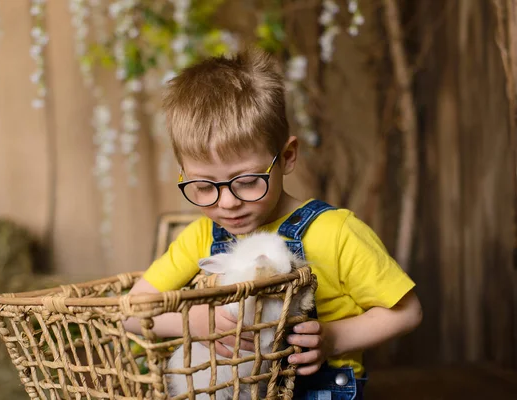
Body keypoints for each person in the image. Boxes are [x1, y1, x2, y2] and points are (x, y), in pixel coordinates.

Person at [124, 49, 422, 399]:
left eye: (248, 181)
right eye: (204, 186)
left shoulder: (336, 231)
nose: (227, 202)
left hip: (318, 390)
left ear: (287, 157)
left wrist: (333, 337)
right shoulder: (201, 236)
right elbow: (132, 312)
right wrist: (195, 324)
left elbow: (406, 312)